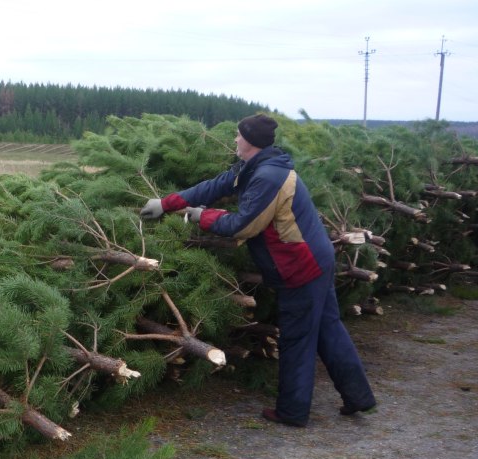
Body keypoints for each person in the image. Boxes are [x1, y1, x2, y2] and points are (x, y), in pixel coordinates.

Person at [140, 114, 376, 427]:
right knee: (328, 329)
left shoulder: (268, 176)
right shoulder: (258, 167)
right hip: (316, 259)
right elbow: (216, 185)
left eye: (238, 136)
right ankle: (358, 397)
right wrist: (166, 203)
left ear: (250, 141)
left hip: (301, 266)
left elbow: (242, 225)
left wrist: (199, 216)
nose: (235, 140)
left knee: (296, 338)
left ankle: (292, 412)